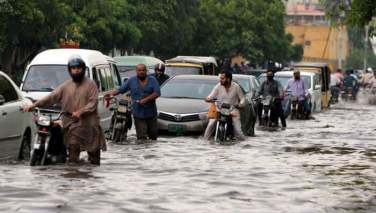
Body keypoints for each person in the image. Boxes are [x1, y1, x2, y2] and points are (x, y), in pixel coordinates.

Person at [23, 55, 106, 165]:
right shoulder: (65, 86)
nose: (76, 71)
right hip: (72, 126)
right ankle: (72, 178)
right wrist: (33, 106)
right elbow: (51, 97)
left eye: (78, 68)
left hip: (89, 126)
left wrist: (80, 112)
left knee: (94, 160)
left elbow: (93, 103)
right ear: (70, 70)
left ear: (83, 69)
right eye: (73, 68)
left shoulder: (91, 85)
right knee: (72, 156)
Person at [105, 64, 160, 140]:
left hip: (151, 112)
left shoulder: (152, 80)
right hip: (138, 112)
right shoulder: (131, 80)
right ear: (136, 71)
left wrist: (145, 100)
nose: (141, 72)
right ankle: (143, 151)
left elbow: (157, 93)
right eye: (139, 70)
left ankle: (151, 151)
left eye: (143, 70)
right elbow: (121, 90)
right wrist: (111, 94)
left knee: (153, 136)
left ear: (146, 71)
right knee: (141, 137)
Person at [204, 70, 246, 141]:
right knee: (210, 125)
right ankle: (204, 142)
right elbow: (211, 96)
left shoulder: (236, 87)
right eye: (220, 78)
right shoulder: (218, 86)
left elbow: (242, 99)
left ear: (228, 79)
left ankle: (244, 144)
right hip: (219, 109)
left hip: (233, 109)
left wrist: (240, 104)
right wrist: (208, 98)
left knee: (238, 131)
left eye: (222, 78)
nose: (220, 80)